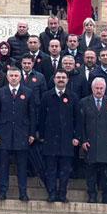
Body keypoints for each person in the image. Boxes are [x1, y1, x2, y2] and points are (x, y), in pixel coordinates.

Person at [0, 67, 36, 201]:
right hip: (4, 134)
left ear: (20, 77)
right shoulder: (0, 92)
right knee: (3, 165)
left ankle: (23, 192)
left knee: (22, 166)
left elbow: (32, 115)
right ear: (7, 77)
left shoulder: (28, 92)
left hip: (22, 134)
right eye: (11, 75)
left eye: (16, 75)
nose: (14, 78)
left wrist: (32, 133)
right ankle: (2, 191)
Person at [78, 77, 107, 204]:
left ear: (105, 89)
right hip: (90, 143)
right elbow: (81, 124)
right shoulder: (84, 102)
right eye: (97, 88)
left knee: (105, 172)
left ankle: (106, 195)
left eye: (101, 88)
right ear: (92, 88)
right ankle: (92, 194)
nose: (99, 90)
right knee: (91, 171)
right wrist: (83, 140)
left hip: (106, 143)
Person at [39, 70, 79, 202]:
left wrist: (76, 136)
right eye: (58, 77)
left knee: (65, 170)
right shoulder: (46, 96)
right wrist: (42, 135)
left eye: (63, 77)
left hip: (67, 140)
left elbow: (77, 118)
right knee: (50, 169)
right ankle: (51, 193)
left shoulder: (73, 97)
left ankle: (62, 194)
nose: (61, 79)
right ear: (54, 79)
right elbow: (41, 118)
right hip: (50, 139)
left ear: (67, 80)